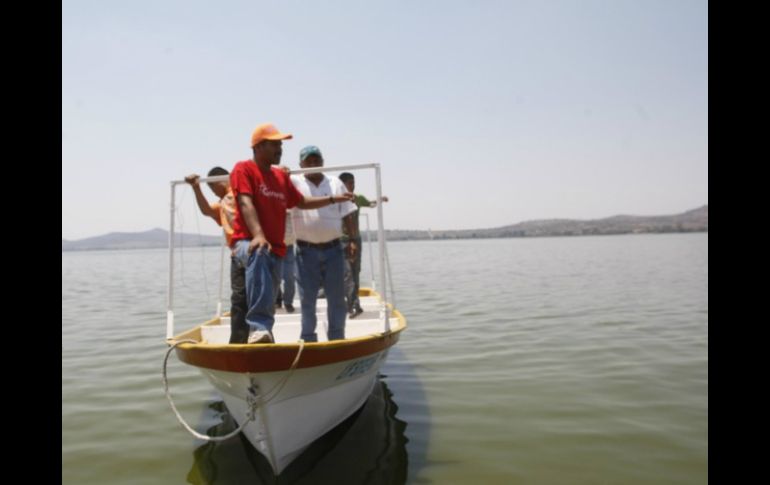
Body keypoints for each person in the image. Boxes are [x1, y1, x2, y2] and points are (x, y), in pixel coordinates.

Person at [229, 124, 354, 344]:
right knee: (259, 253)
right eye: (275, 144)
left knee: (271, 290)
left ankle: (266, 334)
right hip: (247, 243)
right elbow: (245, 202)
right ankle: (259, 328)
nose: (280, 149)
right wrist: (258, 235)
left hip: (276, 249)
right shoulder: (244, 169)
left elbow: (302, 202)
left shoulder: (280, 176)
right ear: (258, 147)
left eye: (281, 145)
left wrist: (334, 199)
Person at [290, 146, 358, 342]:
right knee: (307, 299)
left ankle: (337, 337)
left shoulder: (335, 183)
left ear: (322, 162)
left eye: (316, 161)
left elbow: (348, 213)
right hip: (305, 250)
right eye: (308, 161)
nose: (312, 165)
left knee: (337, 298)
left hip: (334, 249)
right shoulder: (293, 181)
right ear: (301, 165)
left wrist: (353, 240)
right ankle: (308, 338)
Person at [338, 172, 388, 318]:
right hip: (340, 241)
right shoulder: (337, 199)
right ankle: (352, 305)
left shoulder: (358, 198)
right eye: (349, 182)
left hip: (355, 239)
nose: (352, 185)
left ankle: (354, 305)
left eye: (353, 182)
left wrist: (380, 199)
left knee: (354, 272)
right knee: (347, 274)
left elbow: (371, 204)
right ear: (342, 184)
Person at [184, 167, 236, 247]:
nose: (215, 194)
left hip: (242, 248)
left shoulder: (233, 196)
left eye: (213, 189)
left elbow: (207, 211)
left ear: (219, 182)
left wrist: (196, 187)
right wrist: (196, 187)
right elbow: (207, 210)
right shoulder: (223, 203)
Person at [274, 212, 297, 313]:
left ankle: (288, 302)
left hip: (289, 247)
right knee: (275, 277)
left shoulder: (292, 205)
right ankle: (277, 300)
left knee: (290, 277)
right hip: (274, 246)